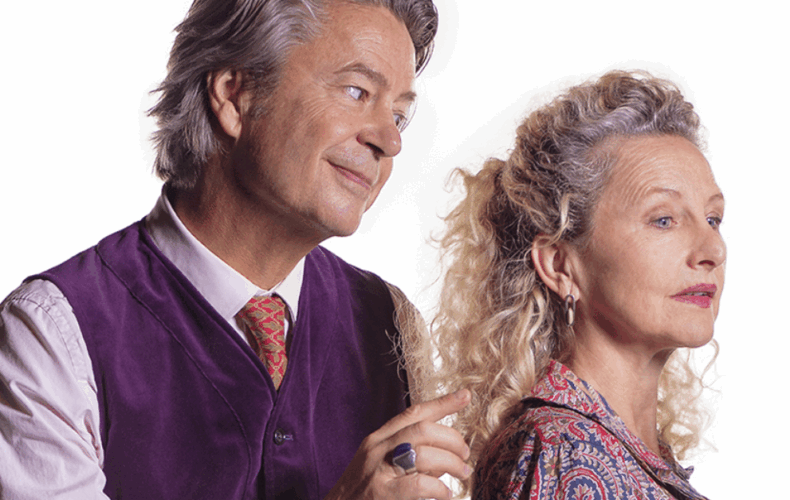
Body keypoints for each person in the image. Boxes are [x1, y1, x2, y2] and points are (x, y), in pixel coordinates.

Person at [0, 0, 472, 499]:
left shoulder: (390, 323)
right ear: (234, 94)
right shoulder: (52, 336)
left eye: (398, 115)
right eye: (357, 92)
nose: (390, 141)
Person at [431, 71, 724, 499]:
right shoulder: (562, 452)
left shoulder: (621, 451)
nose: (712, 249)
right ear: (560, 265)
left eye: (713, 219)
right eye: (664, 220)